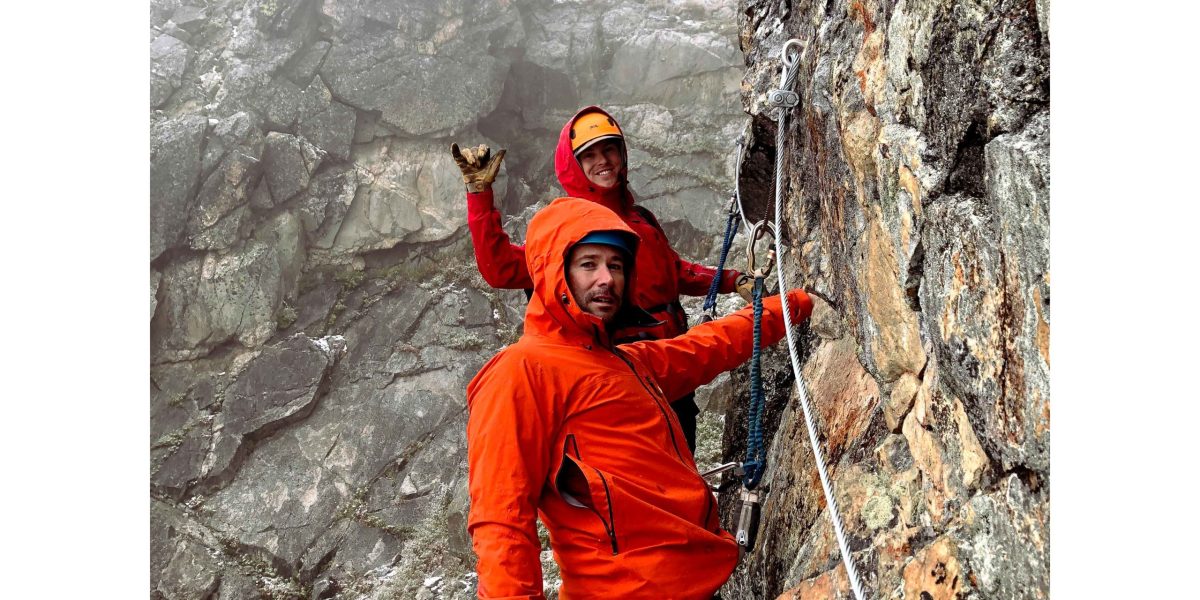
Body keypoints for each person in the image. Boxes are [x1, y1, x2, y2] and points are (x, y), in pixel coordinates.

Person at [466, 197, 813, 599]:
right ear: (553, 271)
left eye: (616, 266)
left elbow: (709, 346)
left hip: (692, 584)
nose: (606, 279)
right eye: (588, 264)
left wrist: (793, 305)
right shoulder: (521, 372)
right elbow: (501, 518)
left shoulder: (625, 362)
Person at [453, 106, 752, 453]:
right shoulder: (565, 233)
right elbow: (501, 268)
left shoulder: (640, 219)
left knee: (682, 457)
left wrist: (732, 280)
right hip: (616, 378)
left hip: (672, 370)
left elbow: (673, 271)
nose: (603, 161)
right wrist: (479, 197)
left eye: (609, 149)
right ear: (573, 165)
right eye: (589, 155)